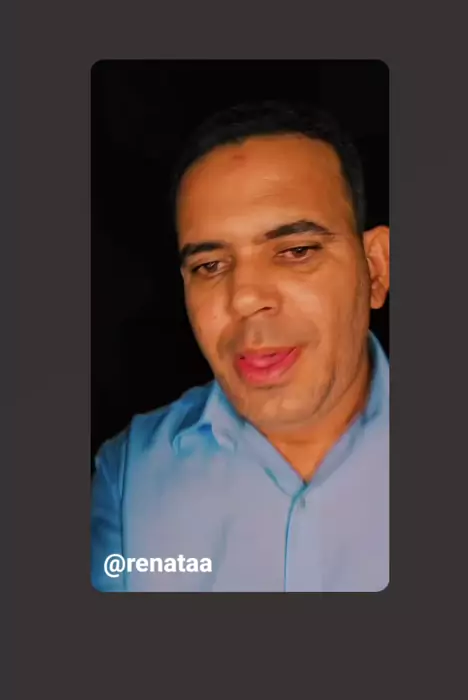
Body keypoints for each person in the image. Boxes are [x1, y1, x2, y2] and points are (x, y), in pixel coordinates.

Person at [91, 100, 390, 592]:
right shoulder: (128, 476)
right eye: (209, 266)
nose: (244, 298)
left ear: (375, 269)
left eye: (296, 251)